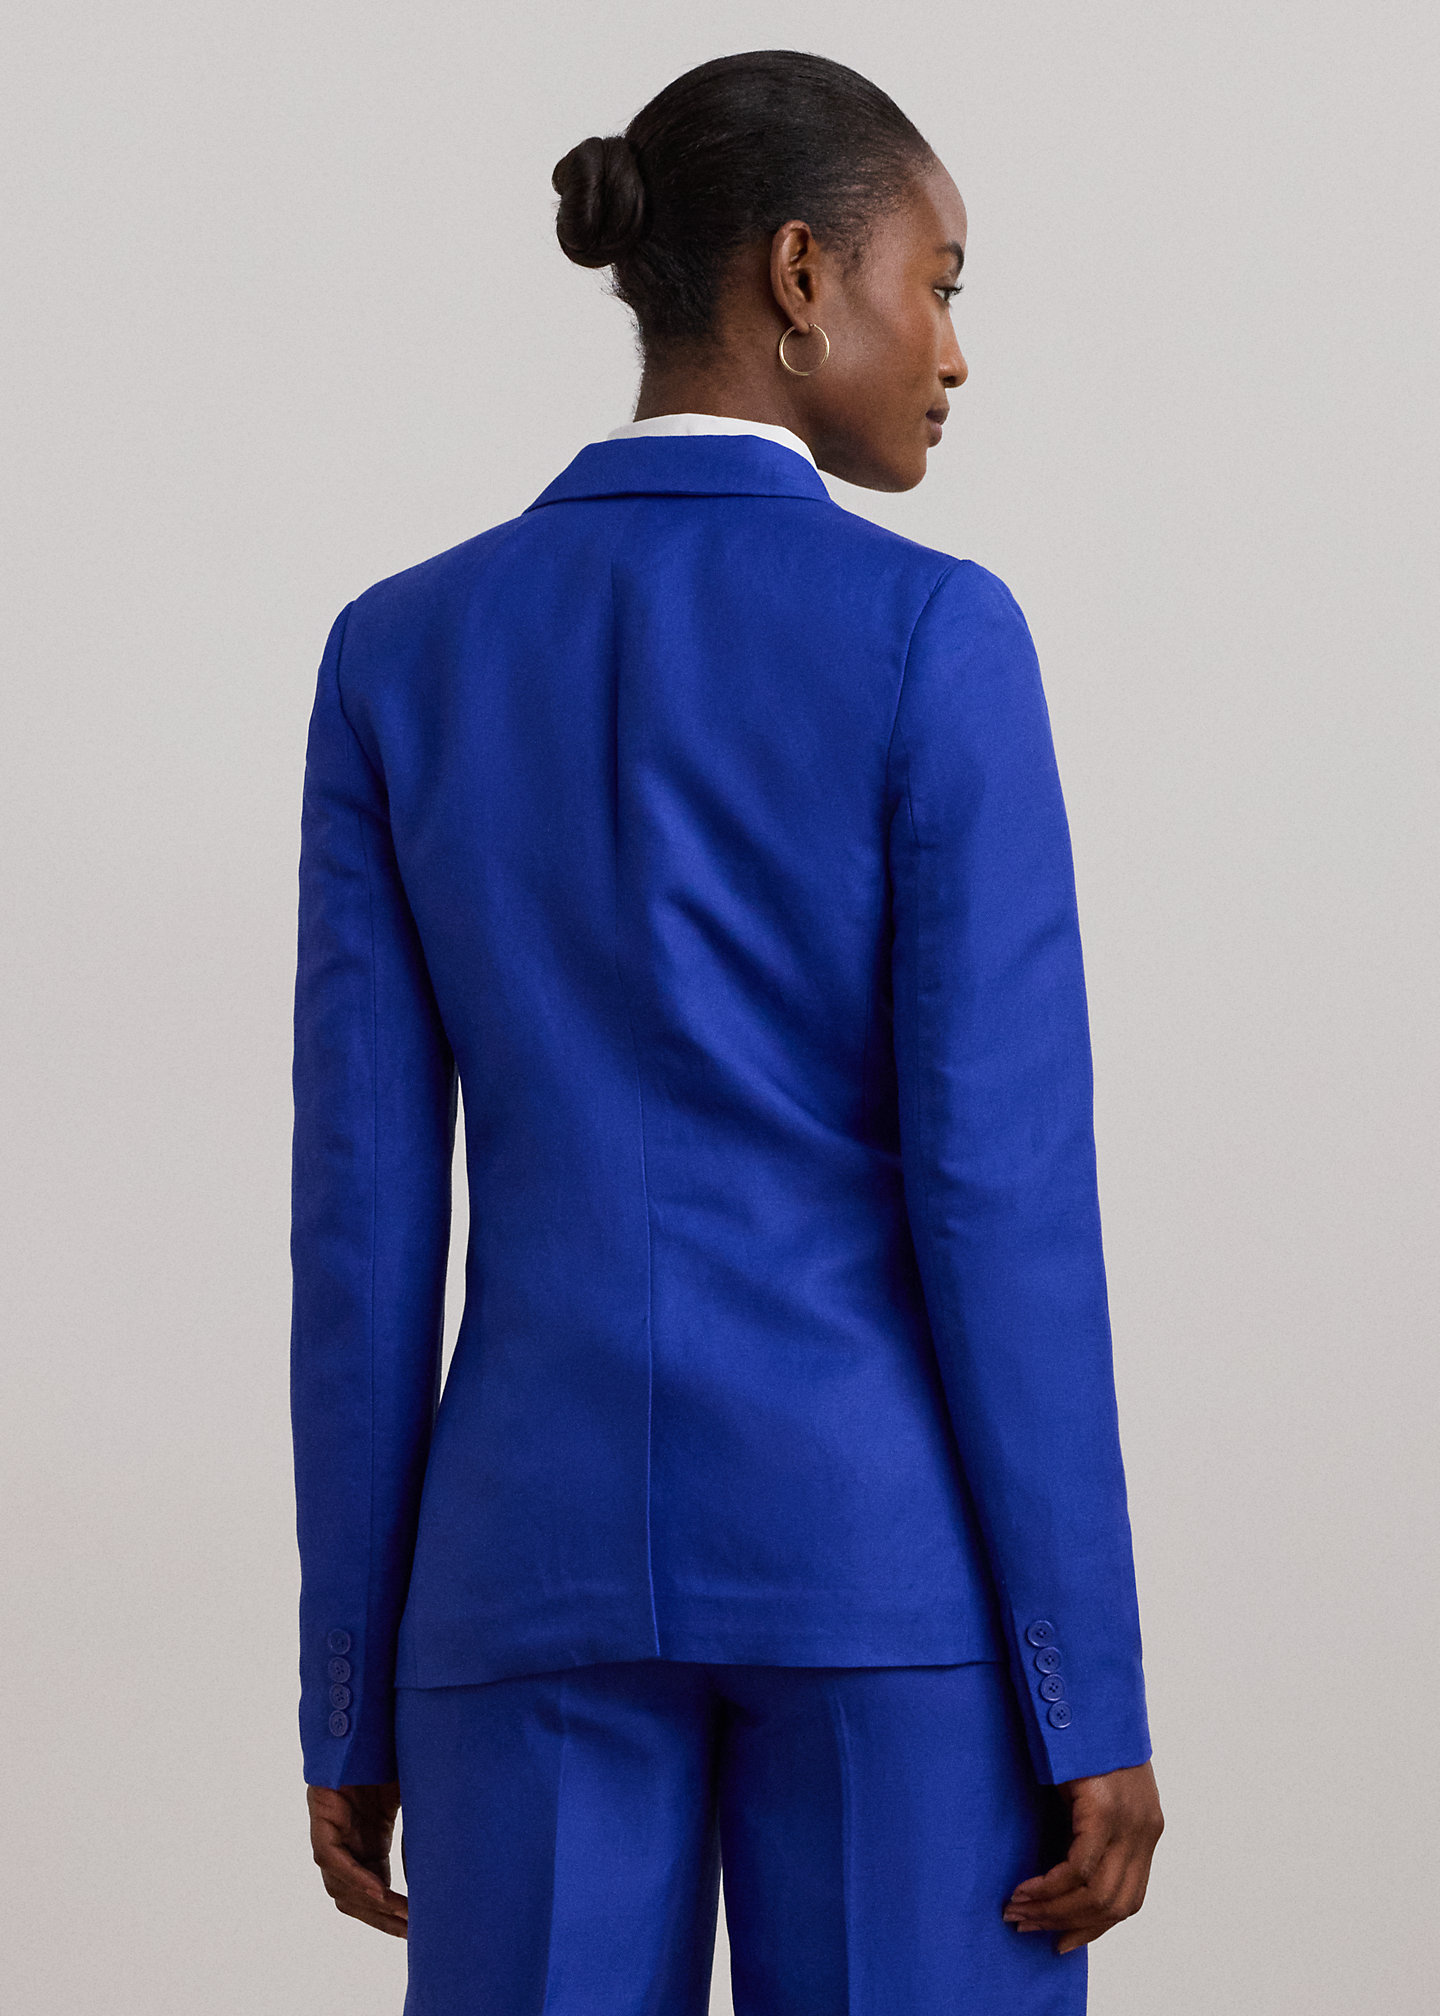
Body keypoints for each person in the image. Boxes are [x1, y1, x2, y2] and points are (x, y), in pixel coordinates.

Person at [290, 47, 1163, 2016]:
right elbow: (1004, 1194)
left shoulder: (399, 652)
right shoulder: (937, 636)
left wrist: (351, 1682)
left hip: (519, 1582)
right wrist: (1086, 1691)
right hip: (884, 1582)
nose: (954, 350)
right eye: (939, 281)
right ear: (799, 275)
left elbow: (361, 1226)